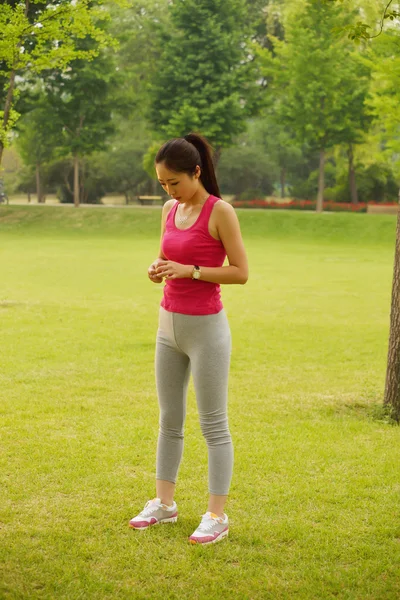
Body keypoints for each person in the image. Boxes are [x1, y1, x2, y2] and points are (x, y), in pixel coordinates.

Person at [129, 132, 248, 545]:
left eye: (174, 182)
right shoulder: (168, 209)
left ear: (196, 172)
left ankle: (216, 514)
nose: (169, 190)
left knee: (213, 424)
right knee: (169, 420)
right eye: (162, 183)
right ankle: (165, 505)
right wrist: (157, 268)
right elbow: (167, 258)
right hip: (168, 327)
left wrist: (192, 271)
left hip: (207, 330)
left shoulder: (220, 212)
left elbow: (240, 271)